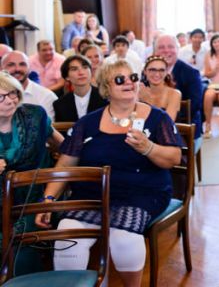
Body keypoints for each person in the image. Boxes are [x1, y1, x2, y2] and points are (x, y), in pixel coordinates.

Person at [35, 60, 181, 287]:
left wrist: (148, 148)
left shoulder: (157, 118)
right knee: (67, 236)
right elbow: (65, 165)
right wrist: (48, 199)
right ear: (106, 87)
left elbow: (173, 158)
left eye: (133, 78)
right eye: (120, 79)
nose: (129, 83)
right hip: (92, 195)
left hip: (142, 193)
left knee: (124, 238)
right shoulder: (88, 123)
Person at [0, 71, 64, 274]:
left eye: (13, 94)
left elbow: (64, 147)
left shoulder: (34, 115)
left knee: (20, 241)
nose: (10, 101)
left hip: (34, 197)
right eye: (1, 96)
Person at [154, 34, 204, 142]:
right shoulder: (148, 73)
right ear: (154, 52)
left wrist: (163, 122)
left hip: (184, 128)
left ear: (178, 49)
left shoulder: (191, 73)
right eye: (161, 47)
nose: (166, 51)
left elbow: (194, 106)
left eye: (171, 47)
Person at [1, 51, 57, 118]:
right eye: (11, 65)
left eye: (22, 64)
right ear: (1, 68)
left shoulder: (46, 96)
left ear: (30, 68)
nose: (17, 69)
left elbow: (44, 127)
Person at [53, 55, 108, 122]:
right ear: (67, 77)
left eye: (85, 67)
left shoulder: (106, 98)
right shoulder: (59, 104)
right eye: (74, 69)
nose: (81, 73)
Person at [139, 55, 182, 122]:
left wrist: (147, 102)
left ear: (166, 72)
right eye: (152, 70)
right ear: (145, 71)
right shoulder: (140, 91)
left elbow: (167, 124)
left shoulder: (175, 94)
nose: (157, 74)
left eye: (161, 70)